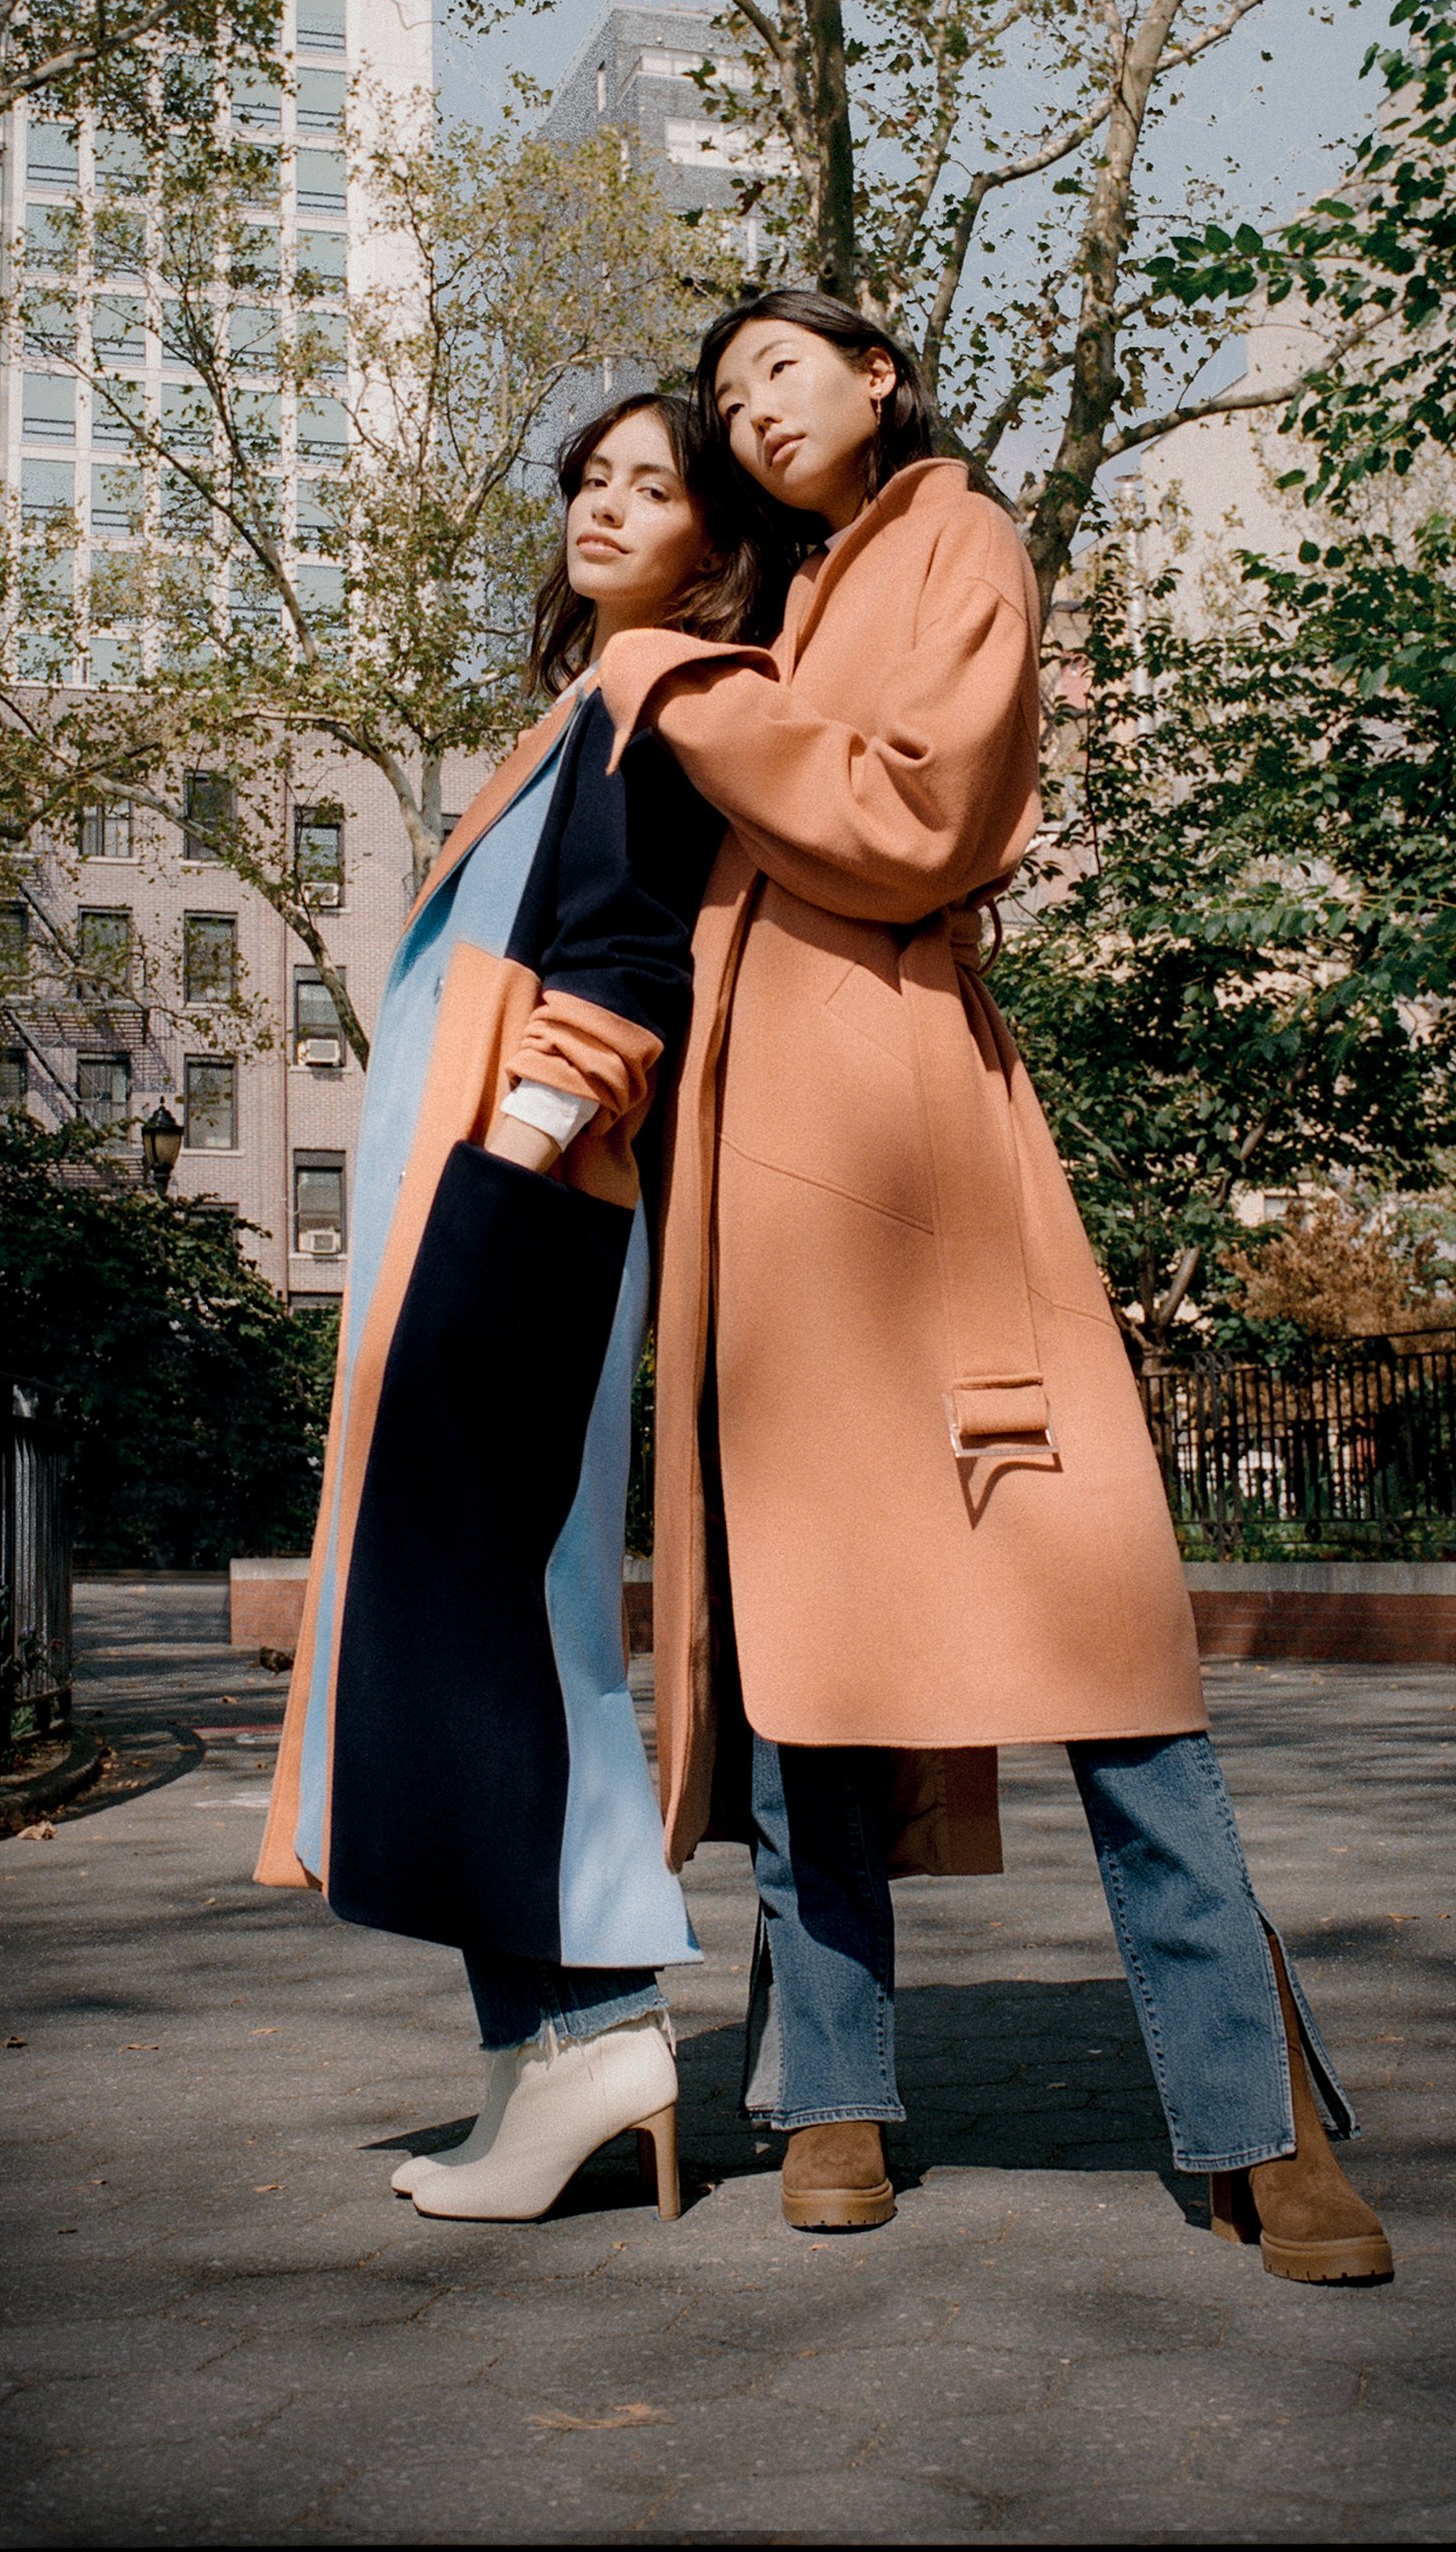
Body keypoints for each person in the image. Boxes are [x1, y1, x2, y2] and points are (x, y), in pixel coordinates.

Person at [593, 289, 1394, 2280]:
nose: (746, 405)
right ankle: (834, 2098)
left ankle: (1249, 2108)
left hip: (922, 1156)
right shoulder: (776, 611)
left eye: (779, 363)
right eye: (720, 393)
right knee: (810, 1668)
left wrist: (684, 691)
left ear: (874, 376)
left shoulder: (946, 536)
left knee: (1102, 1650)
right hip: (762, 1200)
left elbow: (912, 817)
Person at [255, 392, 772, 2226]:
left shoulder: (663, 697)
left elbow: (627, 957)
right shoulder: (585, 705)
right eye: (593, 479)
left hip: (520, 1202)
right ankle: (531, 2055)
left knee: (501, 1620)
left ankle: (599, 2027)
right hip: (479, 1206)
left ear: (717, 540)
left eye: (657, 485)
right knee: (451, 1618)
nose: (608, 506)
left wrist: (524, 1149)